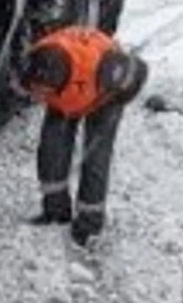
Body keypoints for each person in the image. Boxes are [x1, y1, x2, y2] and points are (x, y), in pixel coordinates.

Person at [18, 23, 150, 246]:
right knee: (52, 148)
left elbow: (137, 74)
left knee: (95, 157)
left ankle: (89, 224)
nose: (38, 97)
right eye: (36, 91)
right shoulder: (36, 60)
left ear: (60, 84)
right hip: (69, 92)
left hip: (105, 98)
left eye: (43, 93)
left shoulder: (107, 68)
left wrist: (116, 100)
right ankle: (56, 211)